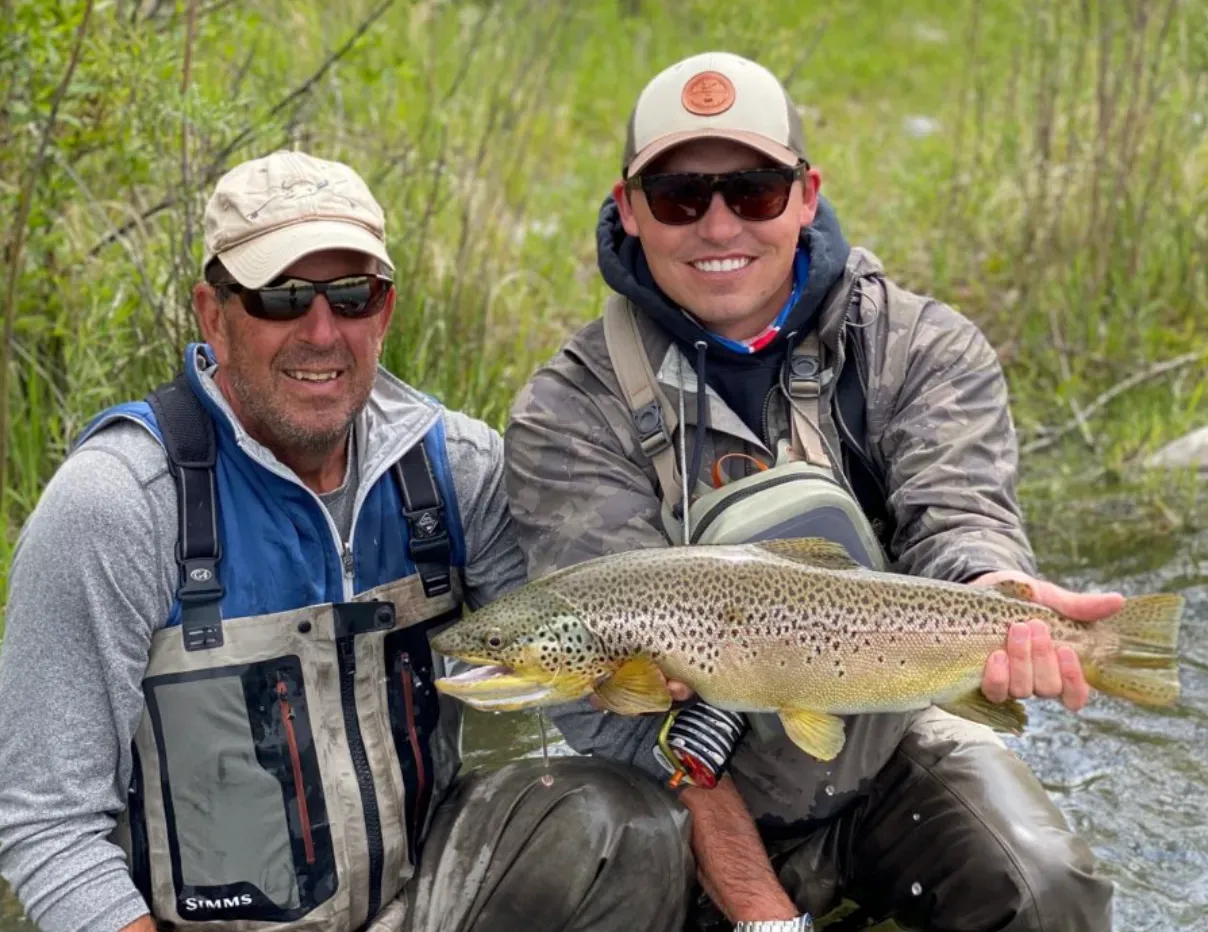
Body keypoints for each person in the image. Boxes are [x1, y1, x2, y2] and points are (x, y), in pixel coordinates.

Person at [0, 150, 691, 932]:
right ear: (212, 315)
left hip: (419, 903)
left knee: (623, 822)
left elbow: (587, 704)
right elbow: (47, 826)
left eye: (352, 295)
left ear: (385, 312)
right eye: (281, 298)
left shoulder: (457, 473)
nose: (321, 331)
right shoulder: (119, 505)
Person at [505, 52, 1119, 932]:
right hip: (680, 787)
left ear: (805, 192)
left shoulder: (918, 347)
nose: (718, 225)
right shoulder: (569, 411)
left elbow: (959, 520)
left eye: (752, 190)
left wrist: (997, 593)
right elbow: (615, 692)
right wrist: (764, 913)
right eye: (679, 196)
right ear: (630, 209)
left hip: (884, 739)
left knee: (1045, 887)